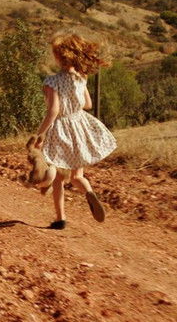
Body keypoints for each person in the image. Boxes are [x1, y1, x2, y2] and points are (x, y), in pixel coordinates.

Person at [34, 32, 117, 230]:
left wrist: (40, 134)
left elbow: (53, 111)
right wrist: (74, 102)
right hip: (79, 125)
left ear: (58, 56)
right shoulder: (81, 78)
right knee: (77, 176)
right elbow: (87, 104)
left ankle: (60, 218)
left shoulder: (52, 81)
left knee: (58, 177)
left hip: (61, 128)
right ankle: (88, 192)